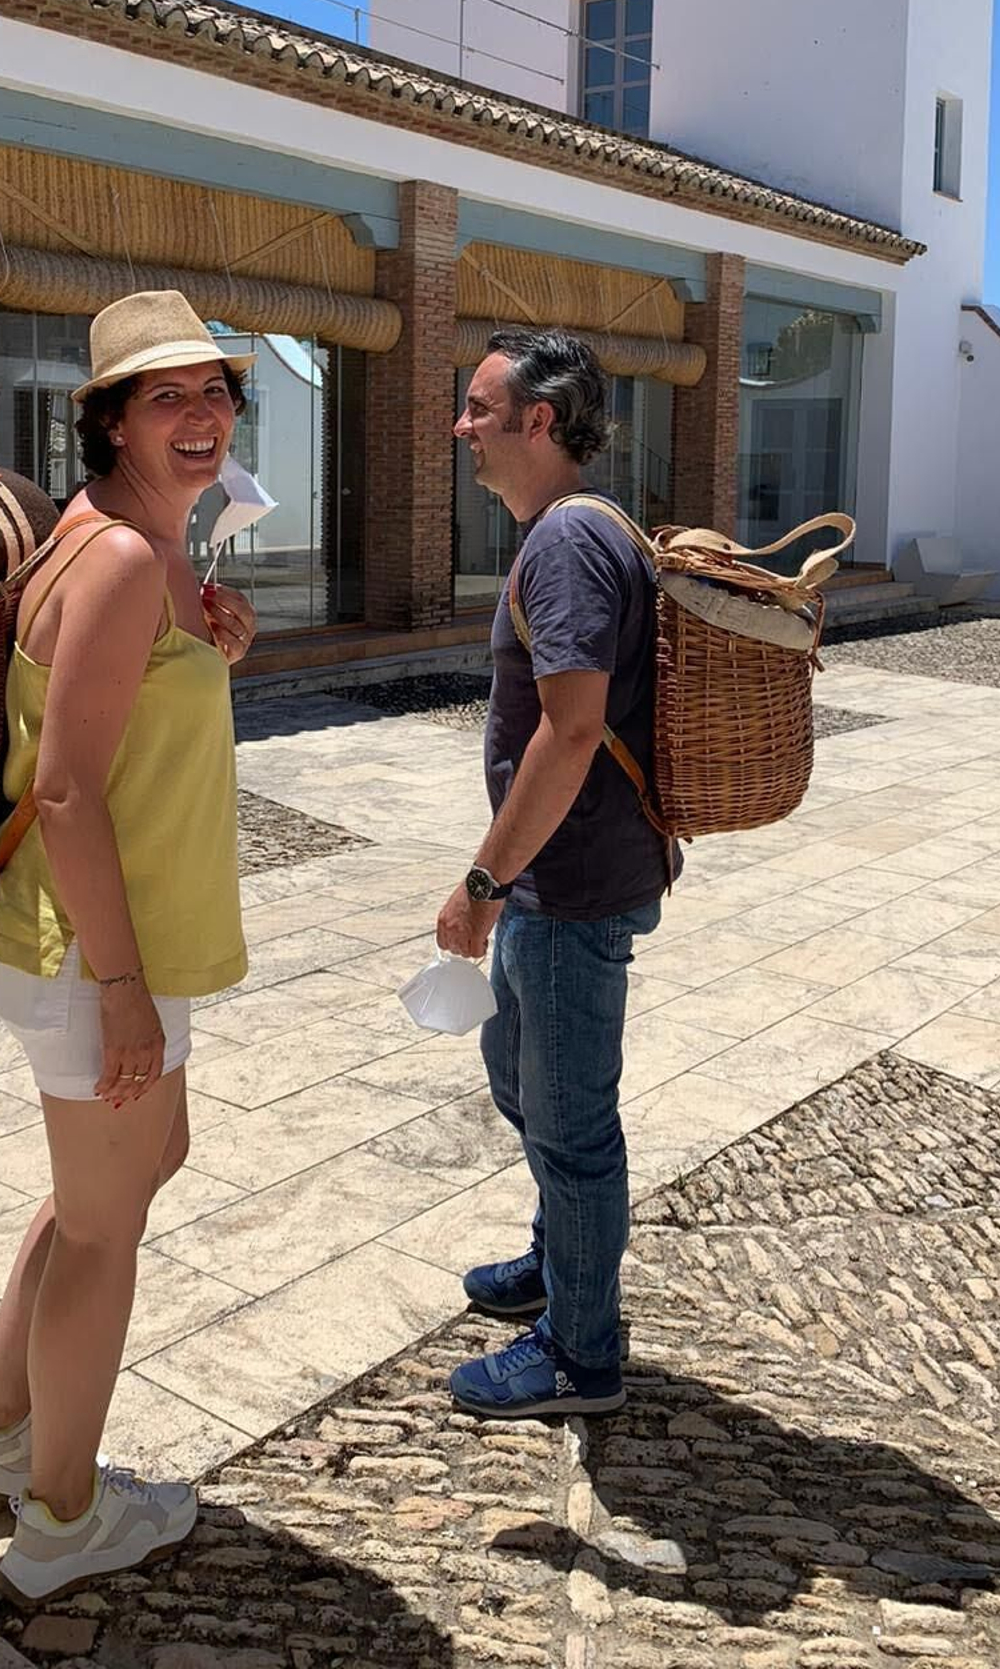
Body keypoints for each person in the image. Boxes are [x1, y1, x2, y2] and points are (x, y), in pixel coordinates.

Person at [0, 292, 258, 1604]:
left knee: (129, 1168)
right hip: (92, 949)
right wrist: (121, 995)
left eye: (217, 391)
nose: (204, 414)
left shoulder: (133, 544)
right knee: (106, 1226)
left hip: (116, 939)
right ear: (108, 418)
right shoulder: (115, 558)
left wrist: (218, 638)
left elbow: (142, 689)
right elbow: (63, 791)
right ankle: (63, 1515)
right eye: (167, 396)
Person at [436, 327, 677, 1420]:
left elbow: (571, 729)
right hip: (562, 879)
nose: (461, 426)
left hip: (569, 884)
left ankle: (582, 1352)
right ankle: (555, 1262)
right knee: (522, 1081)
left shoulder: (566, 544)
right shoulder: (575, 530)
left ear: (539, 421)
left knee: (573, 1124)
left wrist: (482, 882)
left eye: (479, 409)